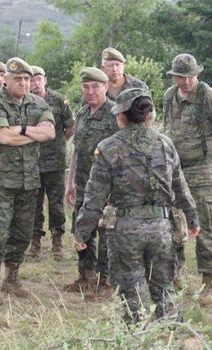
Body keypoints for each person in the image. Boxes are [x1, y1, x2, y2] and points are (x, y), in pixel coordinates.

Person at [74, 88, 200, 324]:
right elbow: (180, 189)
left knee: (132, 295)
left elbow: (94, 198)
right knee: (165, 291)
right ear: (148, 116)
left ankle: (138, 337)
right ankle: (171, 336)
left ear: (121, 116)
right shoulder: (165, 144)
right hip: (161, 229)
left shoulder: (108, 147)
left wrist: (82, 232)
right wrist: (192, 219)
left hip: (125, 232)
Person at [0, 57, 55, 305]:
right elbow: (3, 137)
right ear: (7, 80)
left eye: (26, 79)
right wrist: (31, 132)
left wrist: (19, 129)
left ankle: (11, 278)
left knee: (22, 233)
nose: (23, 83)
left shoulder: (38, 102)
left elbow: (50, 133)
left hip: (28, 181)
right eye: (18, 79)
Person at [163, 53, 212, 301]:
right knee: (173, 224)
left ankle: (208, 283)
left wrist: (206, 155)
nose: (185, 82)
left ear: (196, 75)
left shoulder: (210, 98)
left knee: (204, 226)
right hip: (174, 170)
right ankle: (174, 276)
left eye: (189, 77)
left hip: (201, 171)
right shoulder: (169, 96)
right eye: (180, 77)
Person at [64, 67, 118, 293]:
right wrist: (71, 181)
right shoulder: (83, 112)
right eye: (86, 87)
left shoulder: (116, 113)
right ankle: (85, 276)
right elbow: (78, 149)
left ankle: (105, 281)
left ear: (105, 87)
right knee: (81, 229)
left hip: (107, 186)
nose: (90, 91)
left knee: (106, 233)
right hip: (84, 183)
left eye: (95, 86)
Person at [25, 65, 75, 262]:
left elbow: (69, 127)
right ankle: (35, 243)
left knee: (56, 204)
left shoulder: (59, 100)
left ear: (45, 80)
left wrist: (57, 143)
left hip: (54, 162)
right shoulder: (25, 101)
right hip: (32, 162)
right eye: (32, 80)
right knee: (34, 205)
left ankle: (57, 242)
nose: (36, 83)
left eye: (39, 79)